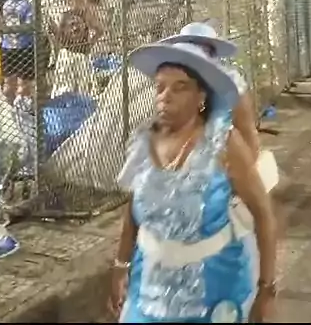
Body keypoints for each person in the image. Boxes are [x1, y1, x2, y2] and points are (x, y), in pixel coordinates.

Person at [110, 41, 277, 324]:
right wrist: (120, 265)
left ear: (201, 96)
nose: (165, 96)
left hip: (213, 294)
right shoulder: (144, 141)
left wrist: (267, 289)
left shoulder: (224, 144)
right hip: (147, 292)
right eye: (160, 87)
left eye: (180, 87)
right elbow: (134, 210)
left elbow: (263, 214)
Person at [159, 22, 260, 161]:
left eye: (202, 50)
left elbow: (247, 130)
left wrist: (249, 166)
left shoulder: (231, 84)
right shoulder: (175, 83)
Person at [51, 0, 103, 98]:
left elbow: (100, 30)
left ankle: (82, 103)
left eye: (82, 0)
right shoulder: (65, 16)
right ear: (71, 1)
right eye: (77, 0)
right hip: (67, 54)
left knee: (83, 88)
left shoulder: (86, 15)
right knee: (65, 87)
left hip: (81, 54)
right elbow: (59, 36)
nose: (80, 3)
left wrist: (89, 45)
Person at [0, 0, 34, 106]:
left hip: (7, 47)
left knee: (9, 83)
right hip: (25, 47)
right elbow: (30, 25)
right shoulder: (27, 5)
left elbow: (2, 23)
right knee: (24, 84)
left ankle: (10, 106)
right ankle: (23, 107)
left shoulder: (6, 5)